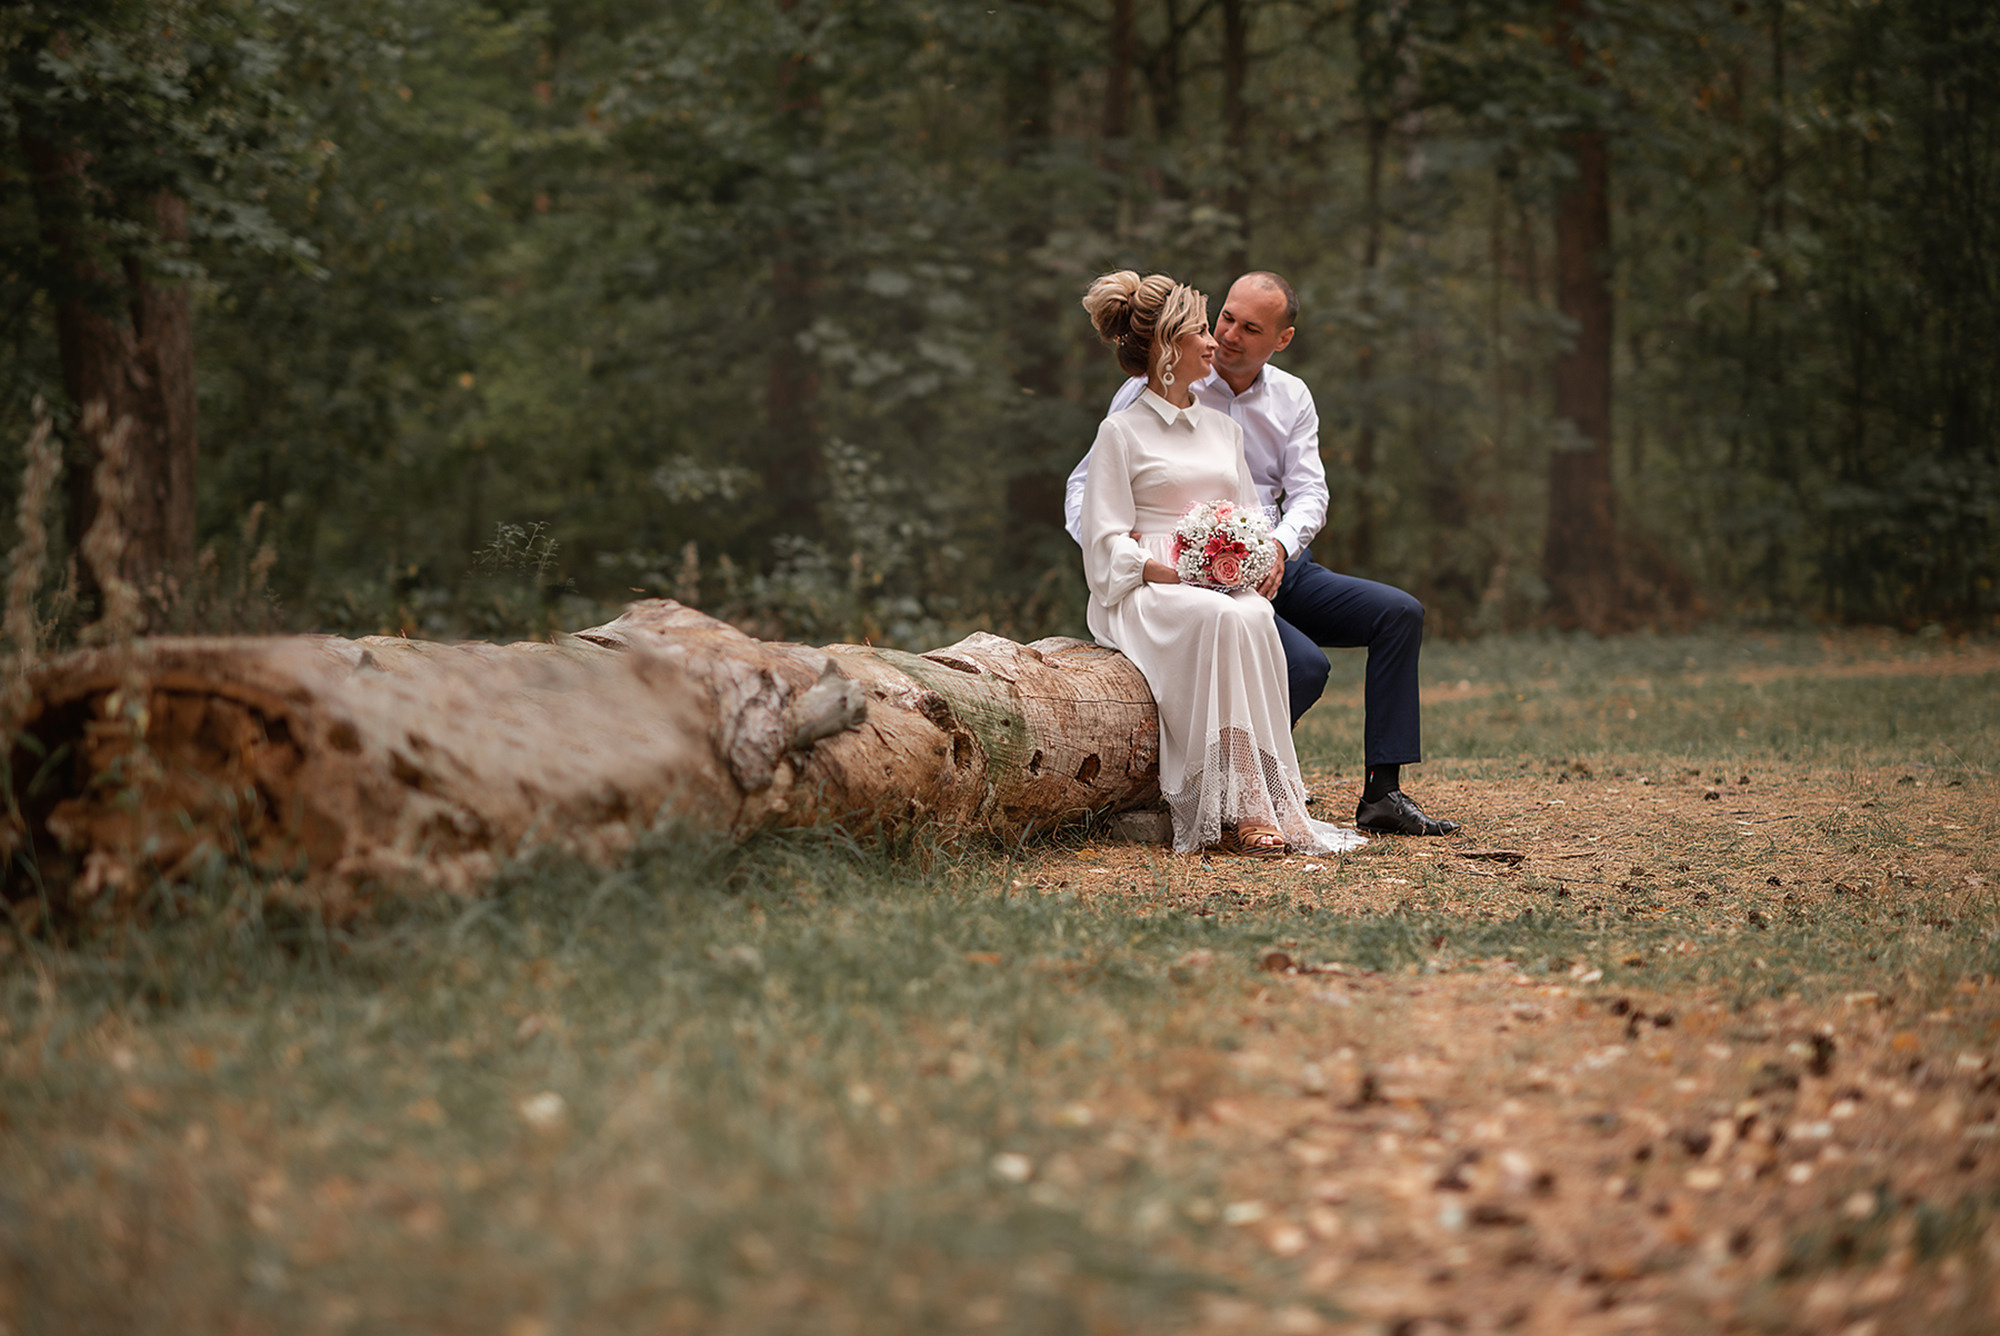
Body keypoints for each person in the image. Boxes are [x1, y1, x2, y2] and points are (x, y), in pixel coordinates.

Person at [1066, 271, 1459, 837]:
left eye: (1249, 328)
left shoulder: (1290, 397)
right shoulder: (1146, 395)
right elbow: (1090, 489)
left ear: (1282, 338)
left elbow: (1309, 492)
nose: (1227, 336)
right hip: (1179, 572)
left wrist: (1273, 549)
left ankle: (1382, 793)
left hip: (1271, 559)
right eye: (1224, 319)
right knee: (1304, 664)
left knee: (1399, 613)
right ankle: (1236, 782)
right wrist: (1136, 562)